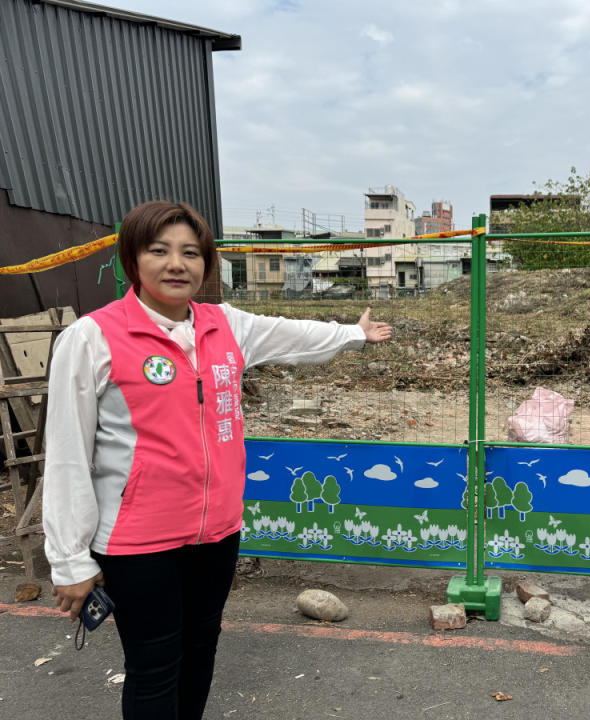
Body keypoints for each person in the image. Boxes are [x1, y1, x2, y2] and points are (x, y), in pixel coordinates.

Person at [43, 200, 392, 719]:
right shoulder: (92, 337)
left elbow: (293, 336)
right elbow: (68, 454)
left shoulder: (224, 324)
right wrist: (69, 560)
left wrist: (352, 335)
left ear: (206, 264)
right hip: (138, 541)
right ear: (132, 259)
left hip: (217, 533)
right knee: (154, 666)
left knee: (201, 652)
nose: (176, 264)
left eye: (190, 252)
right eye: (158, 251)